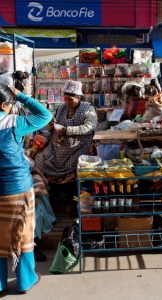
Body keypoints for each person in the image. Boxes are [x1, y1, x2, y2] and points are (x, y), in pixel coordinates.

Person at [0, 83, 52, 293]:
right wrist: (20, 95)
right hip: (17, 188)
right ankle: (25, 280)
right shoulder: (14, 122)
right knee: (22, 234)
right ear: (4, 104)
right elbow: (45, 115)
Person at [34, 80, 97, 215]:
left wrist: (68, 130)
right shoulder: (62, 108)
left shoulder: (88, 109)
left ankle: (74, 205)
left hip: (78, 147)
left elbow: (89, 127)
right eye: (66, 98)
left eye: (71, 99)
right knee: (40, 159)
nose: (67, 102)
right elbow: (51, 126)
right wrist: (50, 124)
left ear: (79, 98)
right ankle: (52, 202)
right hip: (58, 146)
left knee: (74, 168)